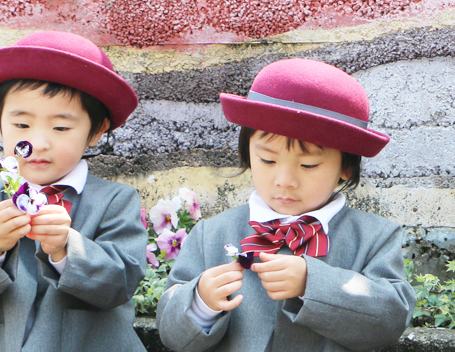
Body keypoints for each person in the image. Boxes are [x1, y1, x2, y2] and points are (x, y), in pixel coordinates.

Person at [155, 58, 416, 351]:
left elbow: (390, 321)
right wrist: (201, 302)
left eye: (308, 165)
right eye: (268, 160)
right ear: (247, 153)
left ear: (346, 166)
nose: (284, 180)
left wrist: (312, 283)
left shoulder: (374, 238)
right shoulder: (210, 235)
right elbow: (170, 333)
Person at [0, 31, 147, 352]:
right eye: (21, 125)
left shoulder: (115, 202)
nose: (38, 143)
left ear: (97, 129)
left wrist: (67, 248)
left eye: (61, 127)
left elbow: (121, 285)